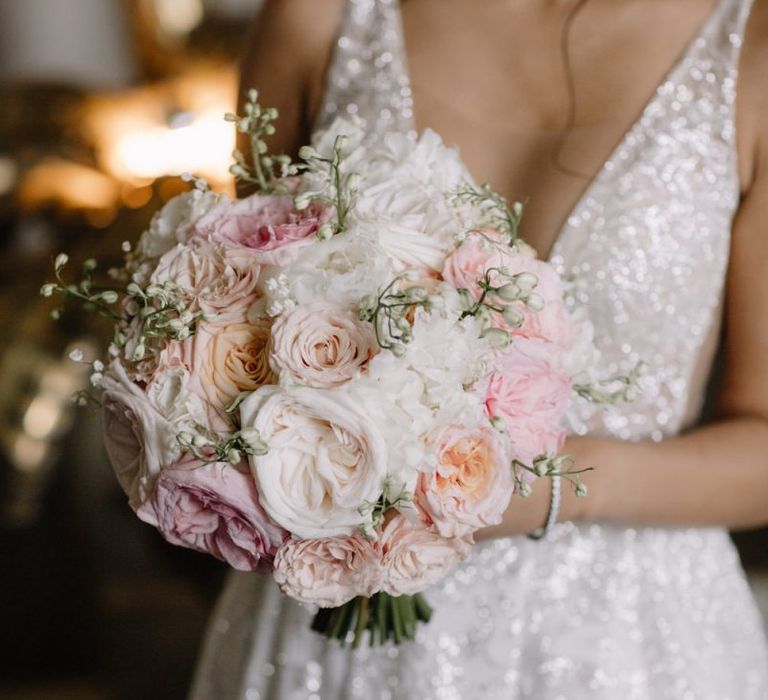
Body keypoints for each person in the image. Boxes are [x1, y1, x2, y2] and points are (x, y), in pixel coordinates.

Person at [190, 0, 768, 697]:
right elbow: (239, 327)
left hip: (628, 644)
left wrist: (555, 488)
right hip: (335, 636)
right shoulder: (322, 16)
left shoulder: (753, 44)